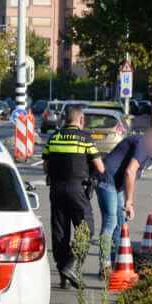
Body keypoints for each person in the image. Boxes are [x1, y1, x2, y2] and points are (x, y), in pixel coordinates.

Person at [95, 127, 152, 275]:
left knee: (121, 223)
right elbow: (130, 171)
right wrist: (129, 202)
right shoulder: (143, 145)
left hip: (117, 184)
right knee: (111, 222)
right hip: (107, 181)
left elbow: (130, 173)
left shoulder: (146, 147)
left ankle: (117, 262)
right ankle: (104, 264)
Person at [42, 105, 105, 288]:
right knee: (87, 229)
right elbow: (100, 168)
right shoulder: (85, 139)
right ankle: (71, 264)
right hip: (77, 189)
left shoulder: (54, 137)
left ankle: (63, 275)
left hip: (56, 189)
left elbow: (45, 166)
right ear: (81, 119)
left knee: (60, 232)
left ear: (65, 119)